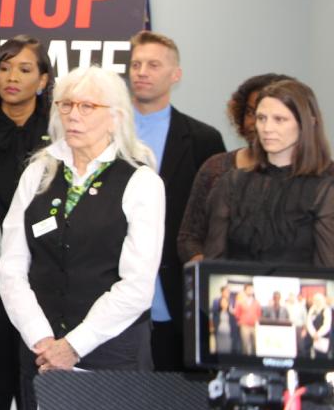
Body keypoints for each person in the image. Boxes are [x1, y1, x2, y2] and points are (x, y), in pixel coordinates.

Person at [0, 65, 165, 410]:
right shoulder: (38, 172)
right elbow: (11, 267)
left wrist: (73, 345)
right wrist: (40, 337)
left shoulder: (141, 181)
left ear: (116, 117)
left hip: (111, 356)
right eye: (66, 105)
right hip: (39, 352)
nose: (74, 115)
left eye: (88, 107)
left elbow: (137, 286)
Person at [128, 30, 225, 371]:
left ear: (175, 75)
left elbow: (214, 219)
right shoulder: (106, 131)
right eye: (136, 64)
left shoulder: (203, 139)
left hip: (174, 296)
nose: (141, 71)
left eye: (153, 65)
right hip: (115, 296)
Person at [0, 35, 53, 410]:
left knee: (44, 391)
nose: (11, 77)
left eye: (24, 68)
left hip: (45, 281)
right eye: (4, 67)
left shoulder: (64, 135)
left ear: (44, 80)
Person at [202, 79, 334, 266]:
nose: (266, 128)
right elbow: (213, 263)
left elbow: (328, 273)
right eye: (261, 118)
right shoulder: (231, 184)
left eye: (279, 119)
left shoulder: (325, 191)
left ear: (307, 123)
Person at [177, 74, 293, 263]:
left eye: (276, 118)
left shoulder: (319, 179)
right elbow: (189, 237)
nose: (260, 124)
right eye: (251, 113)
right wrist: (209, 273)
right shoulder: (216, 168)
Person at [234, 284, 262, 355]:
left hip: (254, 326)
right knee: (245, 345)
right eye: (248, 289)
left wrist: (255, 320)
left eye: (251, 289)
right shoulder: (240, 302)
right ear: (245, 291)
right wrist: (241, 321)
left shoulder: (256, 302)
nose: (250, 291)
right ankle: (245, 362)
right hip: (244, 326)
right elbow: (237, 314)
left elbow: (259, 314)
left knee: (255, 345)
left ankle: (255, 362)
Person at [307, 292, 332, 359]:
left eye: (318, 300)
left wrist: (318, 334)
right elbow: (309, 323)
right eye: (315, 300)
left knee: (322, 356)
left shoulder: (326, 309)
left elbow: (327, 325)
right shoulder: (312, 309)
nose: (317, 302)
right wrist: (313, 334)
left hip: (323, 337)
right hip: (312, 337)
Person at [212, 284, 235, 354]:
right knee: (219, 347)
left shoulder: (232, 301)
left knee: (228, 347)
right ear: (222, 292)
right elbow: (214, 314)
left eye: (228, 292)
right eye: (226, 291)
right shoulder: (216, 300)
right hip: (219, 329)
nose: (227, 293)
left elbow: (234, 314)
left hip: (229, 330)